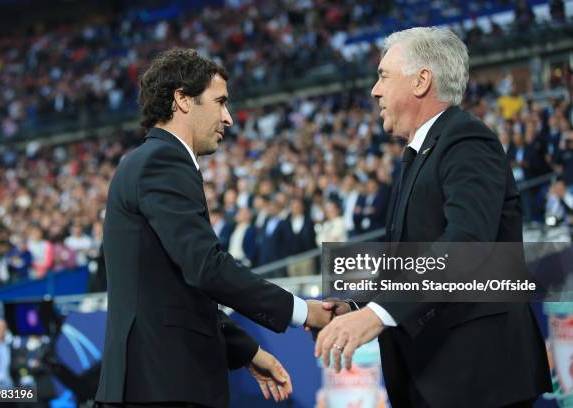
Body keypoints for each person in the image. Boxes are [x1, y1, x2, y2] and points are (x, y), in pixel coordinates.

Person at [315, 27, 551, 408]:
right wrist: (357, 306)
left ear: (421, 81)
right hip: (436, 378)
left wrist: (379, 313)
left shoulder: (466, 140)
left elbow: (465, 245)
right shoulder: (419, 154)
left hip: (477, 380)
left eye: (383, 76)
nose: (375, 90)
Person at [95, 49, 331, 408]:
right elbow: (207, 267)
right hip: (164, 386)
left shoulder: (147, 161)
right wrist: (301, 311)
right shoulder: (164, 161)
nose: (229, 118)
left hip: (155, 383)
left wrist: (246, 349)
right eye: (220, 102)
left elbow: (176, 287)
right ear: (182, 100)